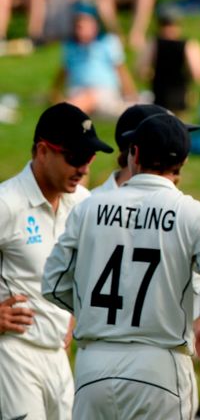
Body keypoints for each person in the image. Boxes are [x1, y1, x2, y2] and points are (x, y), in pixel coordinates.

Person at [41, 112, 200, 419]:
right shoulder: (196, 215)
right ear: (183, 163)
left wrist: (93, 312)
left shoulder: (88, 207)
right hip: (160, 364)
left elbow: (52, 284)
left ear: (134, 154)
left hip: (94, 366)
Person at [0, 102, 113, 420]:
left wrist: (72, 320)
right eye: (75, 158)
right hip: (13, 355)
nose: (84, 169)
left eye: (89, 158)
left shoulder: (84, 204)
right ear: (42, 151)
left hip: (60, 357)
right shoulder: (7, 204)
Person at [51, 3, 138, 118]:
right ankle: (68, 113)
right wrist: (55, 91)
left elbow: (121, 69)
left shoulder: (108, 42)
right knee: (84, 96)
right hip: (77, 90)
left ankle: (66, 115)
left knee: (89, 96)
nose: (81, 30)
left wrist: (131, 94)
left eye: (85, 25)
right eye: (78, 26)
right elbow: (64, 71)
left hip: (103, 91)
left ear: (96, 25)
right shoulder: (70, 46)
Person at [137, 6, 200, 116]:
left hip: (160, 95)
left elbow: (142, 71)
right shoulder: (188, 45)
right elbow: (199, 74)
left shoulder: (154, 43)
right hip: (178, 94)